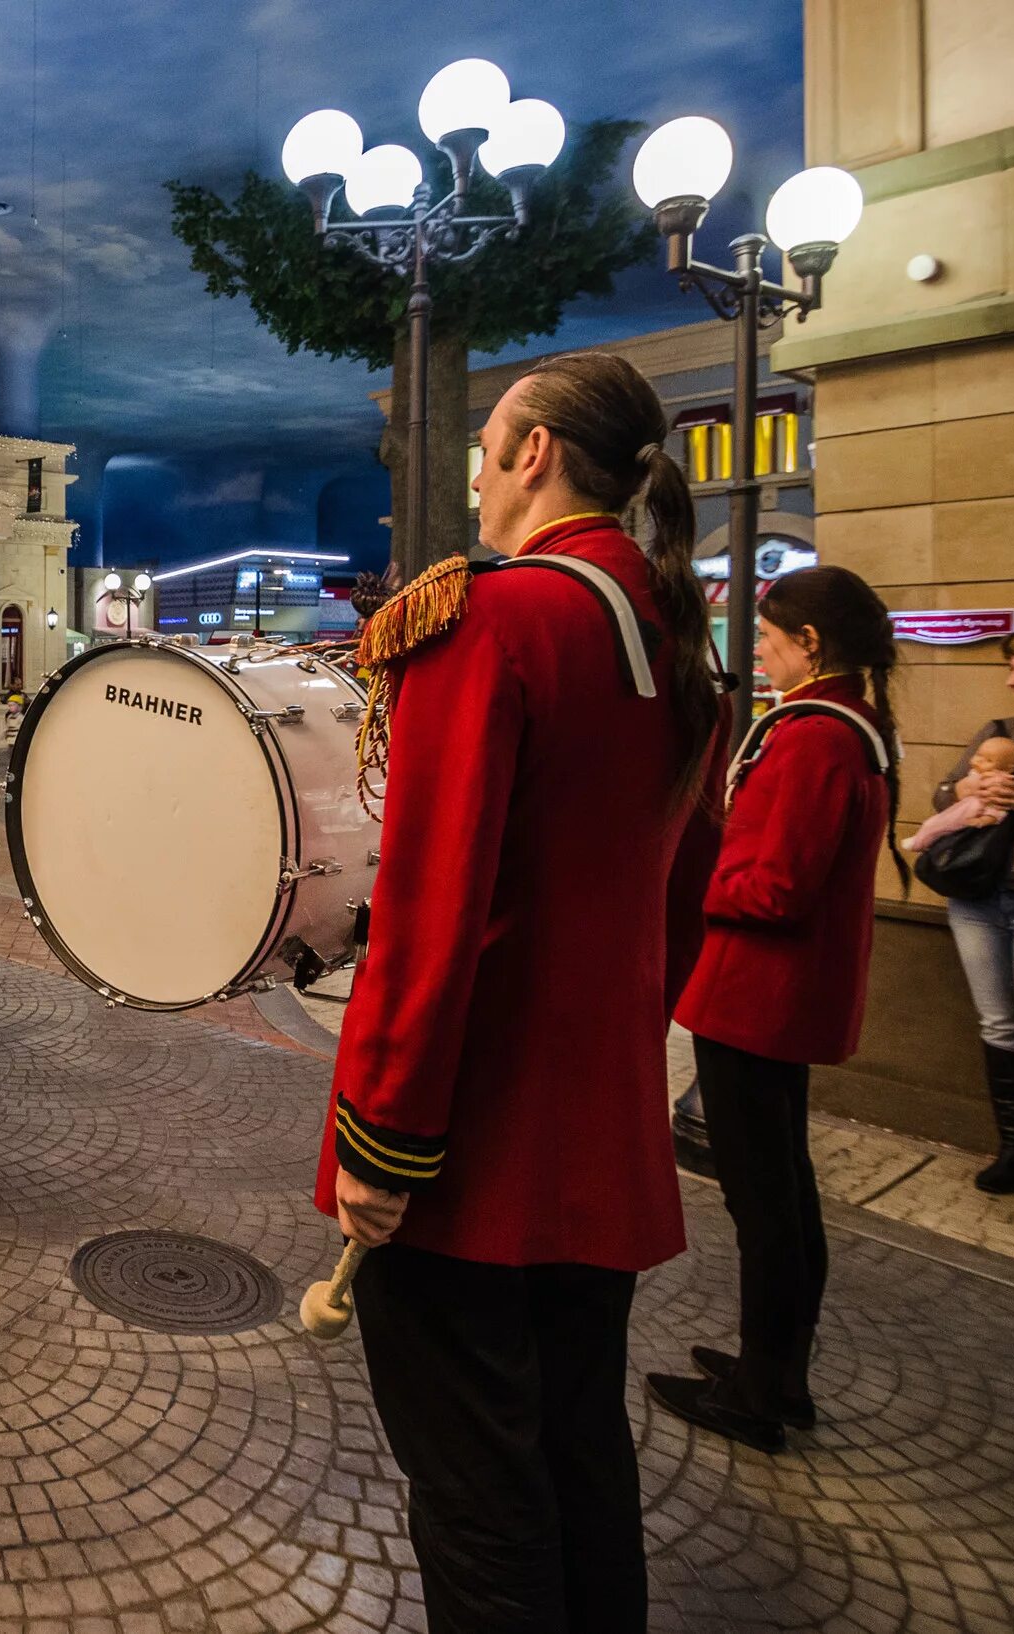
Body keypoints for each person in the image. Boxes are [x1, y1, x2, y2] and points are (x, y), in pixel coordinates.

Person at [320, 351, 724, 1634]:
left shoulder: (491, 618)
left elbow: (432, 907)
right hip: (600, 1137)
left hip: (472, 1153)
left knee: (478, 1501)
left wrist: (381, 1137)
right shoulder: (673, 628)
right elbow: (683, 892)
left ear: (533, 452)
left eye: (485, 446)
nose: (476, 476)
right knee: (579, 1456)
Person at [646, 565, 902, 1454]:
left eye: (769, 635)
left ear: (812, 644)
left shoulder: (814, 738)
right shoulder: (850, 727)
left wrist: (694, 883)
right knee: (783, 1191)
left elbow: (776, 887)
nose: (760, 650)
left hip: (757, 997)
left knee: (765, 1204)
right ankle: (778, 1373)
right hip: (782, 998)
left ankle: (761, 1393)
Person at [933, 631, 1014, 1193]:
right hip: (977, 897)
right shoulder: (999, 732)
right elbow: (942, 795)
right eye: (1010, 667)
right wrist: (963, 789)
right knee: (999, 1025)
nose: (1011, 681)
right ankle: (1012, 1147)